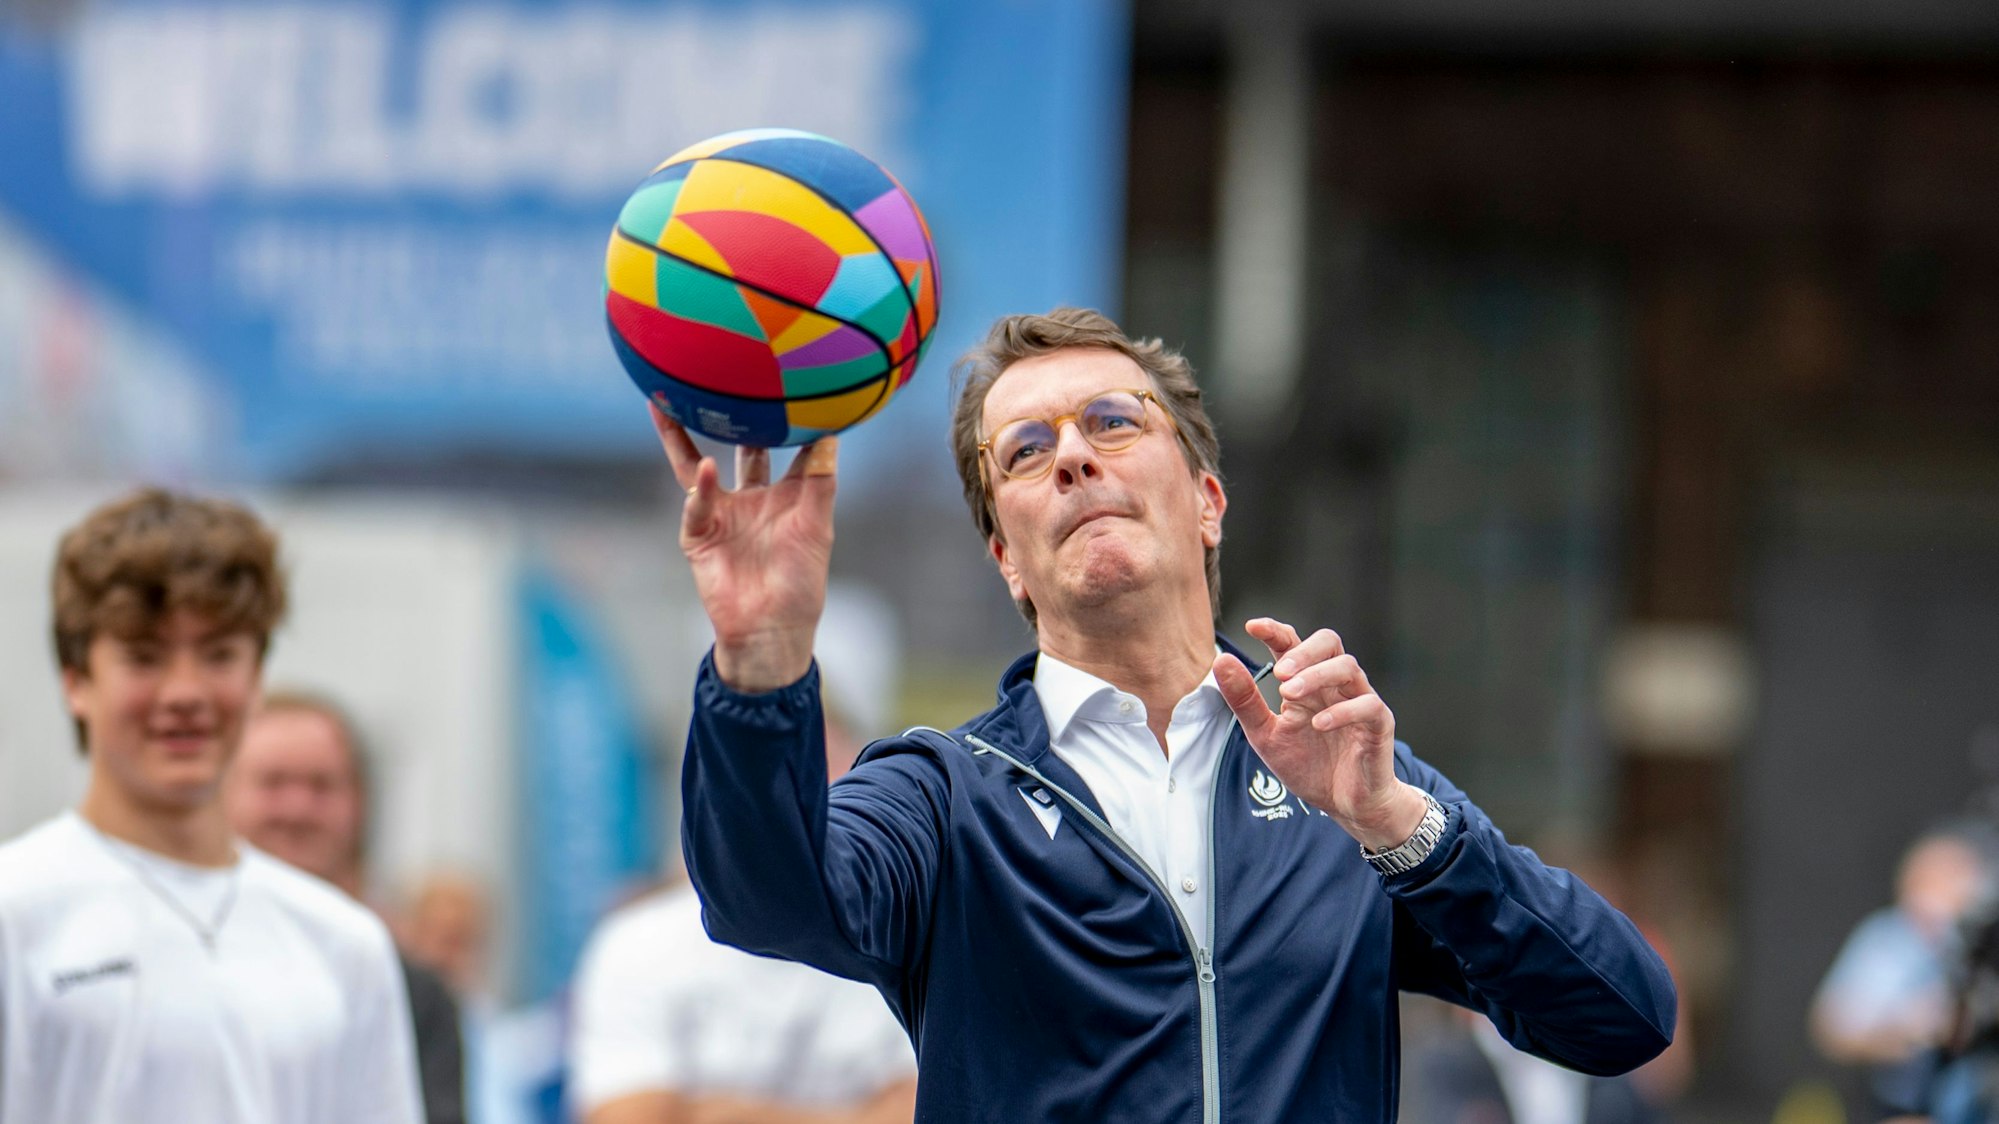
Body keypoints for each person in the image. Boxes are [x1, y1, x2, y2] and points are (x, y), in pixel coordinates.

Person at [658, 308, 1677, 1122]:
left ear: (1207, 500)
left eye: (1112, 420)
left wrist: (1401, 829)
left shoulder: (1343, 779)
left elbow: (1623, 1014)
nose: (1071, 457)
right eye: (1022, 449)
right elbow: (765, 902)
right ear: (1006, 558)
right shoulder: (942, 793)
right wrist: (760, 659)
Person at [0, 487, 422, 1123]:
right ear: (77, 682)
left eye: (220, 654)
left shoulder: (345, 944)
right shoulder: (17, 911)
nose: (185, 692)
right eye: (144, 657)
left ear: (256, 679)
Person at [569, 585, 918, 1124]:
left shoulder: (904, 944)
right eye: (765, 767)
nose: (795, 790)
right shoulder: (638, 944)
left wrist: (711, 1111)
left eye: (818, 757)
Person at [225, 690, 467, 1124]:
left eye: (321, 785)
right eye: (273, 783)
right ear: (222, 794)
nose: (298, 808)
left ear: (359, 803)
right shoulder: (175, 959)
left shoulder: (407, 989)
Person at [1813, 822, 1998, 1117]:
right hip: (1909, 1105)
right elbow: (1833, 1029)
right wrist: (1911, 1027)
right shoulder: (1889, 941)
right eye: (1929, 880)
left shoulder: (1983, 947)